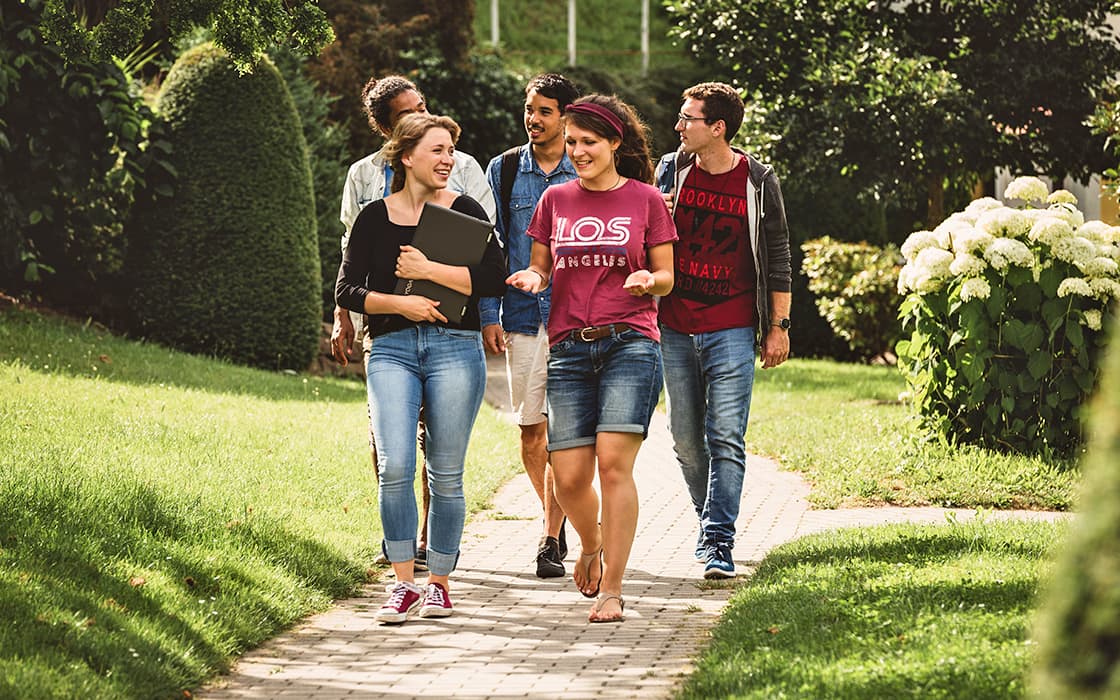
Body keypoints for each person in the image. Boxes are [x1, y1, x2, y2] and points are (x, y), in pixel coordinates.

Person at [507, 94, 677, 623]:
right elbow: (542, 267)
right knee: (570, 473)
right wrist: (534, 278)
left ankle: (614, 589)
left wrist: (651, 279)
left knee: (612, 464)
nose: (578, 152)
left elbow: (668, 276)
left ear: (614, 144)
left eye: (589, 143)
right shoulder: (555, 201)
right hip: (568, 348)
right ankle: (590, 542)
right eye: (573, 142)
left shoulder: (646, 199)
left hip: (630, 339)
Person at [335, 112, 506, 624]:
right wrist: (400, 304)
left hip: (456, 347)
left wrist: (429, 272)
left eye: (450, 151)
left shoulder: (466, 209)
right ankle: (403, 584)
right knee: (394, 467)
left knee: (446, 474)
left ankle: (439, 583)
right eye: (437, 150)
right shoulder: (373, 217)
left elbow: (494, 277)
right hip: (391, 350)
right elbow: (347, 290)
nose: (448, 159)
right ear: (406, 156)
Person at [654, 82, 792, 580]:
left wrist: (777, 326)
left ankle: (717, 540)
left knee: (725, 437)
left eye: (687, 118)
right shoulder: (671, 168)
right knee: (686, 441)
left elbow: (778, 255)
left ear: (718, 128)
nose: (678, 126)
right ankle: (708, 521)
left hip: (732, 324)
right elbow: (649, 239)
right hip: (673, 323)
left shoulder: (758, 180)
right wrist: (657, 215)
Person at [481, 73, 580, 579]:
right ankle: (559, 521)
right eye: (529, 109)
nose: (533, 119)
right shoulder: (503, 170)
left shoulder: (584, 166)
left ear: (566, 114)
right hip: (521, 319)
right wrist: (487, 315)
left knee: (569, 432)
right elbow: (488, 247)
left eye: (544, 110)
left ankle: (551, 534)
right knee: (531, 432)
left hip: (578, 319)